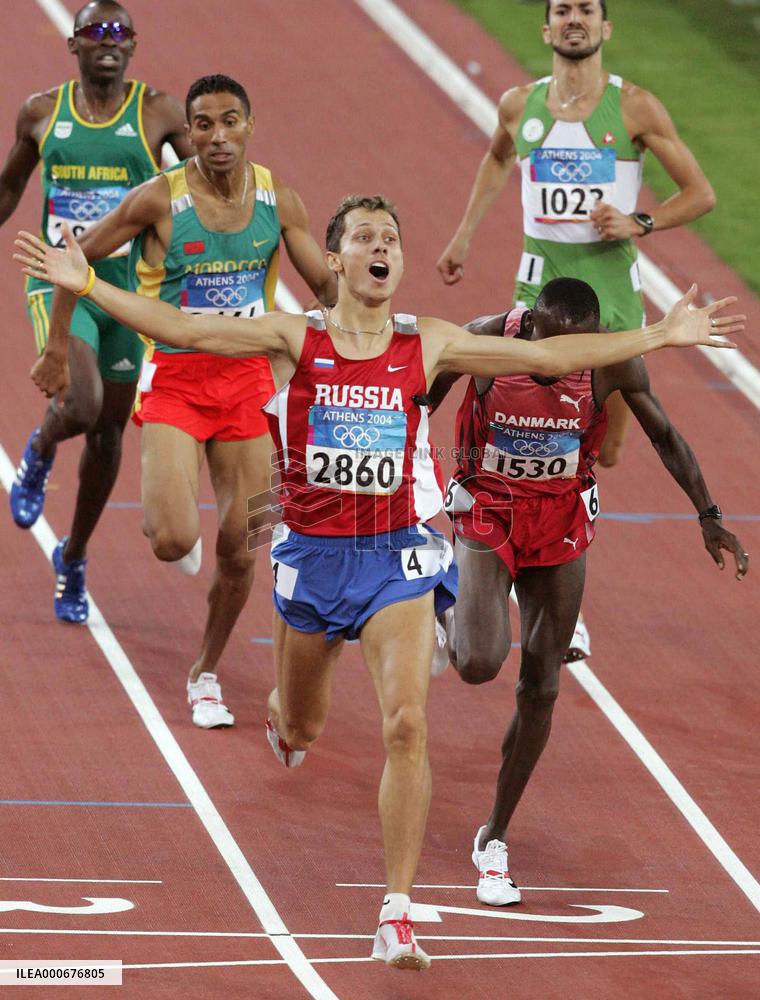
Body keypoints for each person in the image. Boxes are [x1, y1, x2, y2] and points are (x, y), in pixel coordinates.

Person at [14, 195, 742, 969]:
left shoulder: (429, 342)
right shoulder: (293, 337)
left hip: (394, 556)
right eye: (364, 236)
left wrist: (660, 334)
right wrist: (87, 284)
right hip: (312, 558)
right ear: (335, 260)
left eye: (390, 235)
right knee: (303, 727)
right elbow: (185, 329)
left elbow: (550, 359)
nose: (380, 245)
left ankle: (396, 913)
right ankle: (283, 715)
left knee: (407, 725)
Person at [427, 276, 749, 907]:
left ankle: (495, 837)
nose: (556, 365)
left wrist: (708, 514)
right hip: (488, 510)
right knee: (478, 663)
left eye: (571, 351)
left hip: (561, 521)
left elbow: (664, 435)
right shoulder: (486, 339)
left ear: (594, 337)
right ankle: (445, 598)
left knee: (542, 687)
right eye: (548, 348)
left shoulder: (612, 361)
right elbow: (419, 404)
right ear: (531, 326)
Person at [29, 73, 337, 729]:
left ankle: (204, 673)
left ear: (249, 126)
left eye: (230, 121)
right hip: (175, 378)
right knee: (171, 540)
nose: (218, 135)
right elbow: (75, 261)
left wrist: (356, 298)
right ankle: (180, 532)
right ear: (189, 133)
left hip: (250, 382)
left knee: (244, 548)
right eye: (203, 124)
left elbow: (325, 287)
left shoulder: (278, 198)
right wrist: (56, 344)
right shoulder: (157, 198)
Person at [436, 0, 717, 661]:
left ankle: (541, 567)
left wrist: (640, 222)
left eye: (586, 9)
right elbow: (497, 158)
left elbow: (700, 193)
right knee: (522, 431)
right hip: (538, 299)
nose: (574, 19)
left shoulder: (635, 108)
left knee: (602, 452)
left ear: (604, 27)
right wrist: (464, 234)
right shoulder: (519, 104)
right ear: (547, 28)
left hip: (611, 303)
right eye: (562, 9)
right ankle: (507, 572)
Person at [3, 1, 192, 623]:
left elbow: (202, 183)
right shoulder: (41, 112)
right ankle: (41, 446)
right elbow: (10, 186)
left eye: (119, 32)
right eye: (95, 31)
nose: (108, 40)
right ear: (74, 43)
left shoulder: (157, 112)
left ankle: (74, 555)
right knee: (81, 404)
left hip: (124, 290)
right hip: (57, 280)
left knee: (109, 433)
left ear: (133, 45)